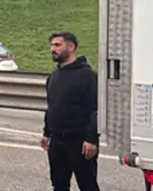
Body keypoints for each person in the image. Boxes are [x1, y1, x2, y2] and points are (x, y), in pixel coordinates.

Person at [41, 31, 100, 191]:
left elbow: (95, 109)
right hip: (57, 142)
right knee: (59, 185)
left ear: (71, 47)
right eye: (52, 45)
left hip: (80, 142)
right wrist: (47, 133)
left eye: (57, 45)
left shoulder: (88, 76)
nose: (53, 49)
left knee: (87, 185)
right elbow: (52, 106)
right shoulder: (53, 76)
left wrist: (92, 139)